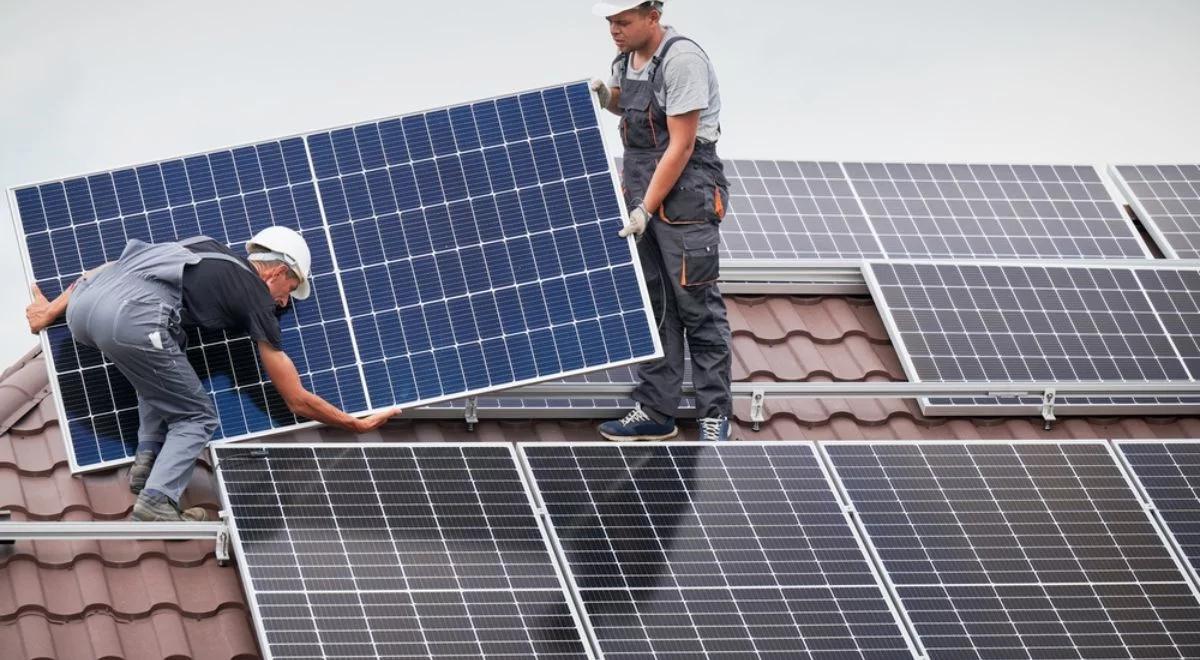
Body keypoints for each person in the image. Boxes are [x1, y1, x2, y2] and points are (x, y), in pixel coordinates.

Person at [25, 227, 399, 521]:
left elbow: (107, 268)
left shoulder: (203, 245)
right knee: (197, 416)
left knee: (168, 353)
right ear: (279, 272)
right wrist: (354, 424)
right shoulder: (255, 296)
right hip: (131, 319)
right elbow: (295, 398)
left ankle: (147, 461)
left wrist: (50, 312)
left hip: (84, 309)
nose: (286, 301)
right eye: (291, 288)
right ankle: (156, 502)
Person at [591, 0, 733, 442]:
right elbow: (631, 109)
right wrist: (606, 97)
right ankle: (655, 410)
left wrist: (646, 208)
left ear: (653, 15)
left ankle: (714, 413)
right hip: (640, 188)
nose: (614, 29)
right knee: (654, 305)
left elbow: (682, 145)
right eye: (610, 22)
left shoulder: (682, 60)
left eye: (623, 21)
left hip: (685, 193)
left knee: (696, 306)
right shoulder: (625, 57)